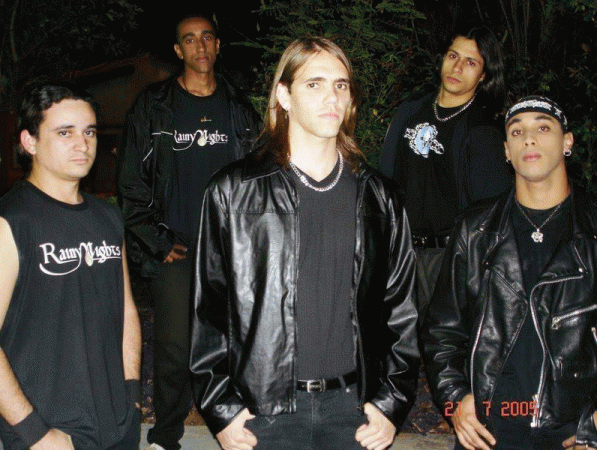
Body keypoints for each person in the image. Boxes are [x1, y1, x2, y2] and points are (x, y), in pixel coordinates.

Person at [190, 36, 419, 450]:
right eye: (314, 84)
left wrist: (391, 403)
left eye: (341, 85)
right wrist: (221, 408)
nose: (332, 97)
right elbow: (208, 311)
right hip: (263, 412)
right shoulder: (232, 191)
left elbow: (401, 309)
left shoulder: (378, 196)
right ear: (284, 96)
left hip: (355, 412)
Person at [116, 12, 260, 450]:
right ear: (178, 50)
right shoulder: (154, 106)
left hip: (230, 249)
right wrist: (157, 240)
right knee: (175, 348)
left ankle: (237, 427)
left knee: (236, 342)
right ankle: (165, 436)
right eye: (190, 39)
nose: (200, 46)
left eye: (207, 37)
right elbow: (130, 182)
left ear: (218, 45)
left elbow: (260, 178)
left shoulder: (239, 107)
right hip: (177, 247)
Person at [422, 96, 597, 450]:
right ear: (506, 150)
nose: (528, 138)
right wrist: (456, 401)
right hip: (489, 433)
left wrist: (594, 425)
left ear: (567, 141)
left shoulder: (592, 229)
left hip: (572, 434)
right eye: (517, 132)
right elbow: (442, 331)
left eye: (543, 128)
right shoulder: (475, 230)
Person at [0, 82, 141, 450]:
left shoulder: (108, 217)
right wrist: (35, 433)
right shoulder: (11, 221)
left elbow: (125, 309)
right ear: (29, 142)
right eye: (65, 132)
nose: (83, 144)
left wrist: (131, 394)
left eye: (89, 131)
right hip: (49, 432)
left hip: (117, 423)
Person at [379, 25, 511, 321]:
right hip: (399, 251)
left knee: (438, 341)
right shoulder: (410, 111)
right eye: (453, 56)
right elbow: (385, 180)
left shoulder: (482, 131)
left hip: (446, 258)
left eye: (471, 62)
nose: (457, 67)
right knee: (391, 339)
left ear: (484, 75)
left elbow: (491, 216)